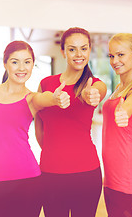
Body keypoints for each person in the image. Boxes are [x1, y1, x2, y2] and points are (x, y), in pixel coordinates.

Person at [0, 40, 70, 217]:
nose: (21, 68)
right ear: (5, 64)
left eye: (27, 62)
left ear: (33, 64)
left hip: (28, 180)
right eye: (15, 61)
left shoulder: (32, 98)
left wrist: (56, 98)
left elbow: (45, 98)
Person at [35, 27, 107, 217]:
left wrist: (90, 94)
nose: (78, 54)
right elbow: (39, 127)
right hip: (50, 173)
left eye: (83, 48)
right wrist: (54, 151)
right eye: (72, 49)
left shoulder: (95, 84)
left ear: (90, 50)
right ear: (63, 52)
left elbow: (98, 92)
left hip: (86, 174)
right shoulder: (46, 84)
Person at [102, 33, 132, 217]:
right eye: (112, 56)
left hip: (126, 177)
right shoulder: (119, 88)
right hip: (111, 176)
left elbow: (130, 104)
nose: (115, 60)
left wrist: (124, 112)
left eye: (121, 55)